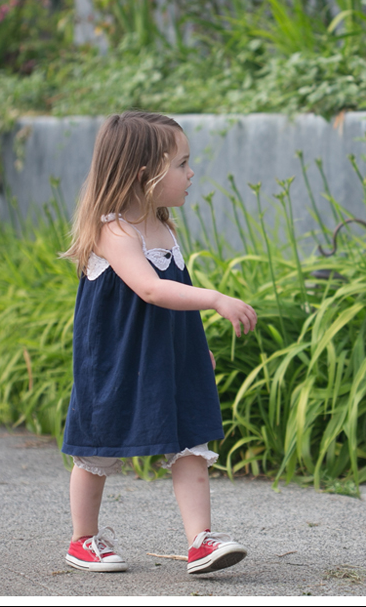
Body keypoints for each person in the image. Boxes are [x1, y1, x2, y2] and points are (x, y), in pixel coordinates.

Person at [61, 111, 257, 575]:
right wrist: (215, 299)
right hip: (116, 359)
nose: (192, 174)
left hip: (166, 356)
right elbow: (150, 290)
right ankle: (83, 539)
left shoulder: (164, 230)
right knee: (97, 447)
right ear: (144, 175)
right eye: (182, 164)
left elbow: (170, 301)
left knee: (191, 440)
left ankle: (200, 540)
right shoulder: (114, 230)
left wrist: (193, 347)